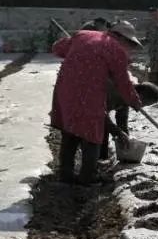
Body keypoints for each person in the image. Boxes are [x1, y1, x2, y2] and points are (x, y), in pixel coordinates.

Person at [51, 21, 144, 185]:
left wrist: (78, 49)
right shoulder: (117, 51)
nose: (128, 48)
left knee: (70, 130)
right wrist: (134, 101)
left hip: (65, 88)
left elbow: (58, 48)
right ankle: (88, 176)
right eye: (129, 44)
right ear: (121, 38)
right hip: (89, 92)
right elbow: (123, 82)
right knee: (93, 132)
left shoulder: (83, 35)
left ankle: (65, 174)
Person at [99, 82, 158, 162]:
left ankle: (101, 159)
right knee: (99, 130)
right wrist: (118, 133)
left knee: (105, 131)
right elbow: (99, 114)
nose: (140, 109)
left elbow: (122, 119)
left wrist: (126, 139)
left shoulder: (129, 98)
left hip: (98, 113)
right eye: (144, 104)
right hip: (85, 107)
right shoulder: (117, 91)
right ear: (140, 96)